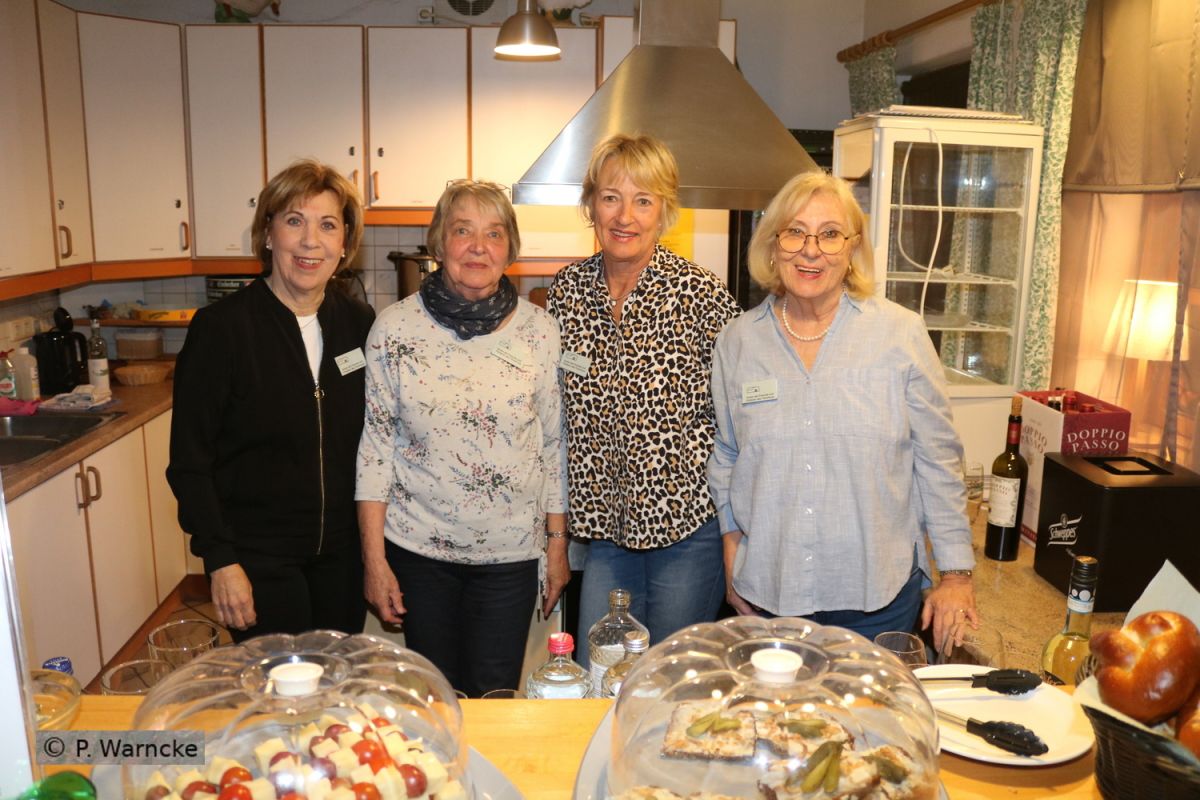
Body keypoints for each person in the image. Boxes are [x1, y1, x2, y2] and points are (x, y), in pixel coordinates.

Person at [707, 171, 978, 649]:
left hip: (878, 598)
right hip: (770, 592)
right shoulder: (738, 341)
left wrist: (956, 574)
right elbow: (727, 455)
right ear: (773, 245)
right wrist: (731, 548)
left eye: (830, 234)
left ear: (852, 248)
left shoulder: (900, 334)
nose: (810, 251)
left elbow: (938, 459)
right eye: (795, 232)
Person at [356, 179, 568, 698]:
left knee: (495, 697)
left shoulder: (541, 331)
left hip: (511, 557)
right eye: (463, 231)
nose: (478, 247)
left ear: (510, 249)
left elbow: (552, 446)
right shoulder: (394, 329)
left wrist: (557, 545)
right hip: (419, 553)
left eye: (494, 234)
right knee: (435, 698)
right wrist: (374, 561)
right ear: (439, 243)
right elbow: (375, 451)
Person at [546, 134, 742, 658]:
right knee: (599, 670)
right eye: (611, 197)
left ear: (664, 213)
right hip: (607, 533)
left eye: (643, 200)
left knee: (668, 673)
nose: (625, 216)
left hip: (688, 529)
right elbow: (556, 417)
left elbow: (740, 417)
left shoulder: (700, 293)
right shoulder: (567, 293)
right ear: (591, 205)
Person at [168, 159, 374, 641]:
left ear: (345, 242)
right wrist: (220, 560)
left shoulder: (359, 323)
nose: (310, 241)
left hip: (342, 558)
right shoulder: (222, 330)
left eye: (328, 225)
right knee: (277, 682)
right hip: (258, 558)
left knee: (338, 677)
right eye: (294, 221)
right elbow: (190, 462)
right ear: (267, 233)